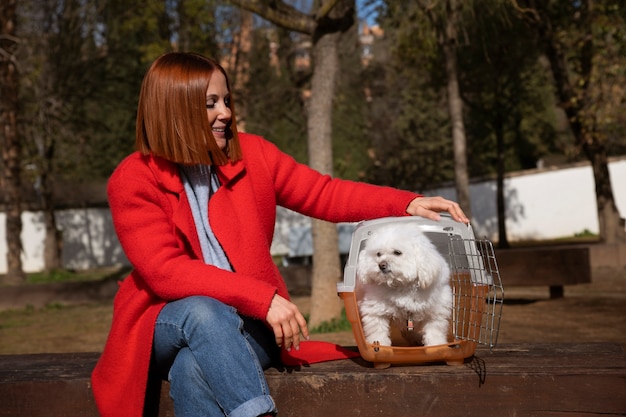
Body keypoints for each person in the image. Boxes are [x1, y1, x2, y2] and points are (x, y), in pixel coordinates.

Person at [91, 51, 469, 417]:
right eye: (210, 104)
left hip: (247, 325)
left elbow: (324, 193)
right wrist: (263, 298)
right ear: (174, 109)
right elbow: (165, 271)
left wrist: (406, 203)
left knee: (192, 370)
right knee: (203, 312)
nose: (225, 112)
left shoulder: (252, 154)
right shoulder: (134, 178)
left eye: (226, 100)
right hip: (166, 322)